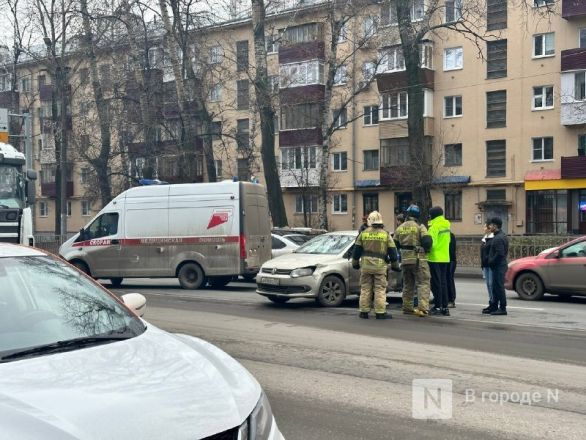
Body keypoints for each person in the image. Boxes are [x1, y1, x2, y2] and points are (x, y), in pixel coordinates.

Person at [352, 211, 399, 320]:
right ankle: (380, 312)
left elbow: (356, 250)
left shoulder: (363, 234)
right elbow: (393, 251)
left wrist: (355, 264)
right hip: (379, 267)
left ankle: (363, 312)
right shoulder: (385, 234)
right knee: (379, 289)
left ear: (370, 221)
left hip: (366, 266)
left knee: (365, 288)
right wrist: (395, 265)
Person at [394, 204, 433, 317]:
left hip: (405, 261)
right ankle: (423, 308)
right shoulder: (420, 227)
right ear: (417, 215)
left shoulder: (399, 228)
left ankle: (407, 307)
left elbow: (394, 244)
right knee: (423, 283)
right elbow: (427, 242)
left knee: (408, 284)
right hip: (418, 260)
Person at [427, 206, 452, 316]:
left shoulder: (434, 226)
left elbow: (432, 243)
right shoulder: (446, 225)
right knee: (443, 282)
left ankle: (437, 307)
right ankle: (445, 307)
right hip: (445, 257)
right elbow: (449, 240)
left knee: (436, 283)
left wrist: (426, 248)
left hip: (434, 258)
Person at [487, 217, 509, 315]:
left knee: (499, 287)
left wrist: (491, 261)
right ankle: (495, 306)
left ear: (495, 226)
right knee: (496, 287)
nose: (489, 226)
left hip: (499, 266)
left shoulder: (498, 238)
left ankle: (502, 308)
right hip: (499, 265)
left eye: (491, 225)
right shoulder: (500, 236)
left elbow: (500, 254)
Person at [480, 222, 495, 314]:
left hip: (490, 265)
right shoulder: (484, 238)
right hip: (485, 265)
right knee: (488, 285)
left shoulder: (493, 238)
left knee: (491, 284)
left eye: (485, 226)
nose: (483, 228)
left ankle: (494, 303)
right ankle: (491, 302)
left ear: (489, 228)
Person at [447, 231, 457, 308]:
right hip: (446, 260)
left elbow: (451, 250)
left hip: (450, 260)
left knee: (449, 279)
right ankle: (446, 298)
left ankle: (451, 299)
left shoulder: (450, 235)